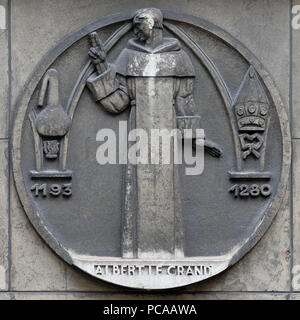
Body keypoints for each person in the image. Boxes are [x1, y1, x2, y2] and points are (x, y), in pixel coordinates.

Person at [87, 8, 221, 259]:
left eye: (140, 25)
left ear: (154, 25)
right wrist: (102, 66)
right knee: (136, 190)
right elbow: (118, 103)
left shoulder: (179, 59)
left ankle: (170, 253)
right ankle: (134, 254)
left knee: (167, 192)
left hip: (167, 136)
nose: (135, 30)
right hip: (139, 135)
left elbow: (185, 103)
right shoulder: (129, 56)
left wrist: (196, 139)